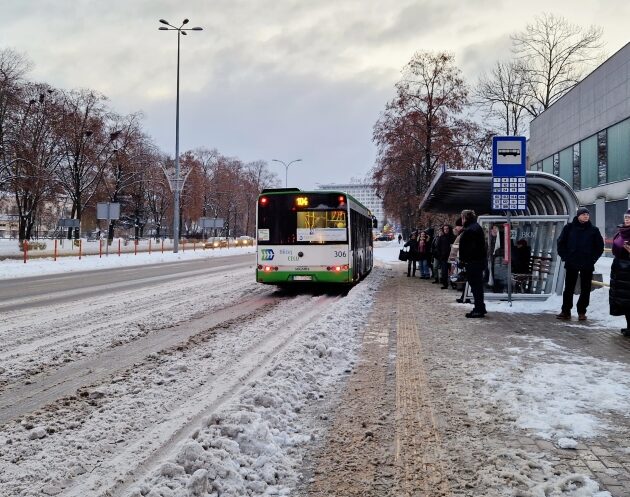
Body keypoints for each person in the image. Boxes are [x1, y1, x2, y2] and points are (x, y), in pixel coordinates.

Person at [556, 207, 604, 321]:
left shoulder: (594, 230)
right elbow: (560, 243)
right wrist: (565, 257)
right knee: (569, 288)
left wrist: (592, 259)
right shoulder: (569, 228)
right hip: (572, 262)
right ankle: (565, 311)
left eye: (587, 214)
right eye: (583, 214)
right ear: (578, 216)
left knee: (586, 289)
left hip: (587, 263)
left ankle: (582, 312)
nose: (586, 216)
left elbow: (599, 247)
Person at [458, 210, 487, 318]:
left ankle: (478, 309)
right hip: (477, 261)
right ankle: (480, 307)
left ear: (465, 218)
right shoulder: (475, 227)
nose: (462, 220)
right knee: (477, 286)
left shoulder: (471, 230)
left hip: (473, 262)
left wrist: (463, 261)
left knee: (476, 286)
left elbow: (470, 249)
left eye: (462, 217)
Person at [610, 209, 630, 336]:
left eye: (629, 218)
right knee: (625, 301)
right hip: (620, 269)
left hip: (629, 270)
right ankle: (629, 326)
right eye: (626, 217)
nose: (627, 219)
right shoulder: (620, 232)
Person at [436, 224, 456, 289]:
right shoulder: (441, 238)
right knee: (444, 272)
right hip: (443, 258)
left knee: (452, 271)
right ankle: (445, 284)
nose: (446, 230)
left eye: (447, 228)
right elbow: (438, 247)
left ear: (449, 229)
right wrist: (440, 256)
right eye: (444, 229)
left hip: (452, 257)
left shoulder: (453, 237)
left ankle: (453, 284)